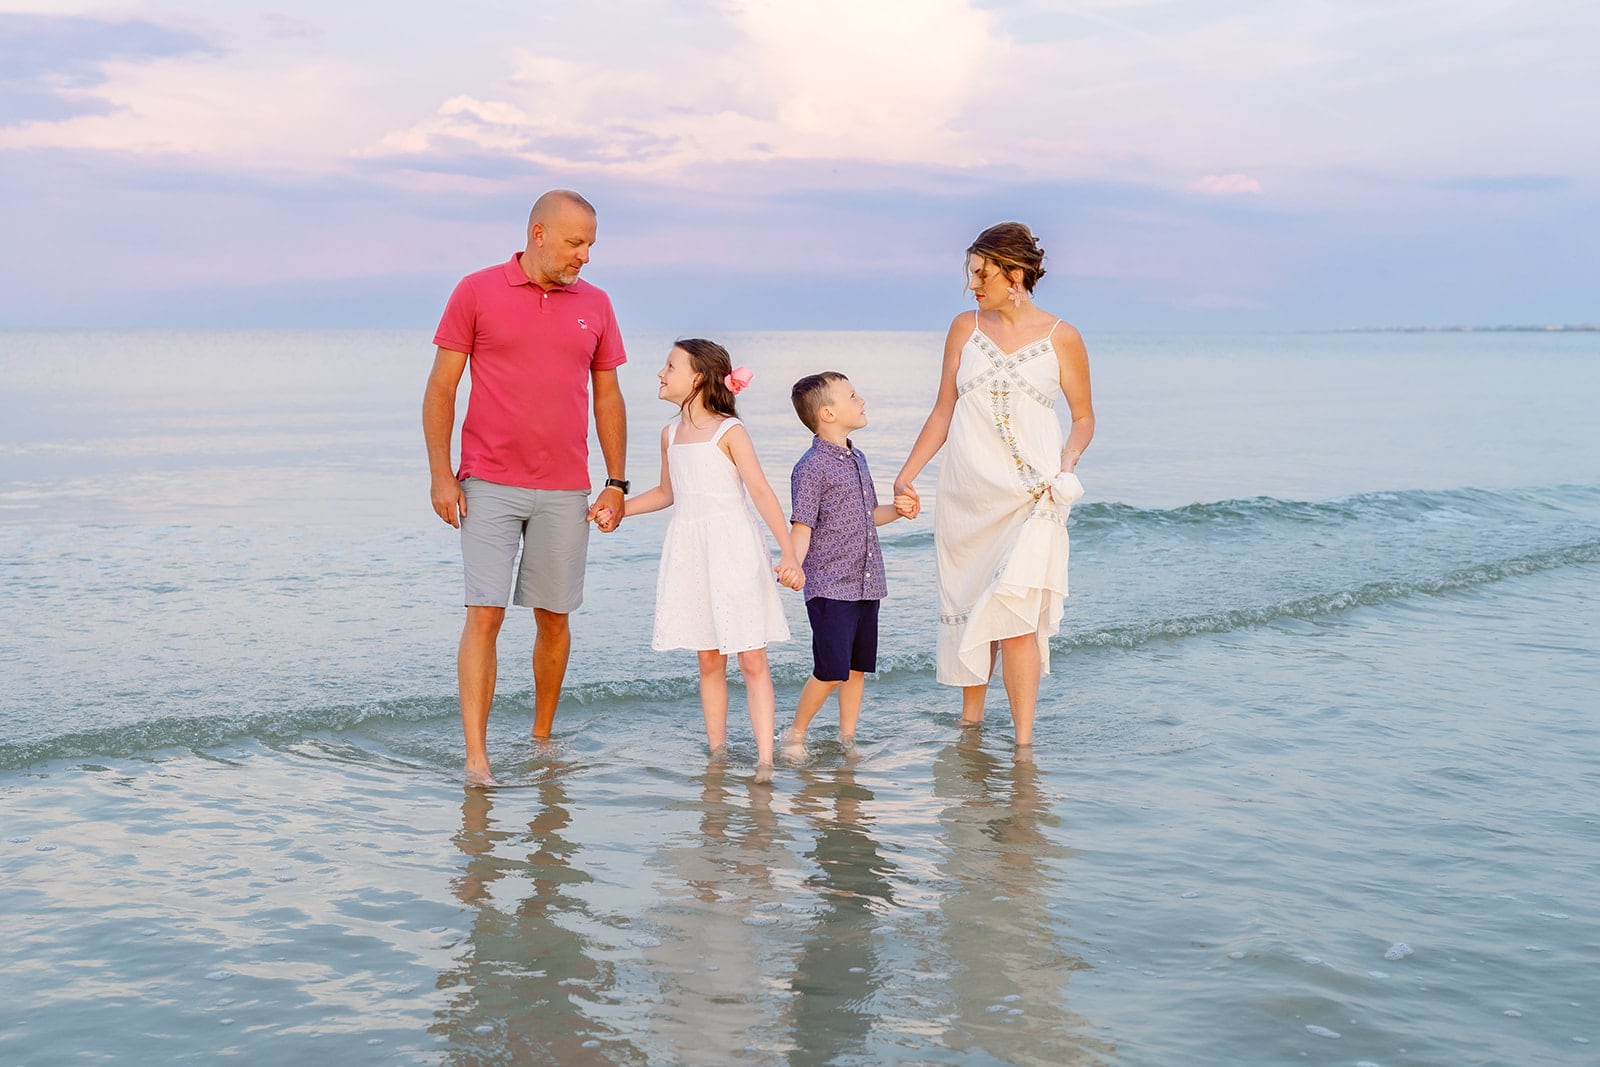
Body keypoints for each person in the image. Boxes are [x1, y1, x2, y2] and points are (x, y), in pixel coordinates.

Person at [423, 189, 629, 786]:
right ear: (538, 234)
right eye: (575, 242)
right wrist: (441, 473)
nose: (584, 255)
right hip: (487, 481)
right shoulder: (475, 291)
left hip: (567, 487)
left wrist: (616, 481)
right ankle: (477, 757)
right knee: (483, 614)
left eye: (590, 243)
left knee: (555, 617)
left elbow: (607, 395)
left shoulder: (597, 303)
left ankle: (542, 738)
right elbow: (442, 389)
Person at [893, 222, 1094, 752]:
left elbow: (1083, 418)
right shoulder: (965, 327)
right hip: (967, 495)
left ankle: (1024, 746)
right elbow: (943, 409)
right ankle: (972, 728)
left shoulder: (1062, 338)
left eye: (982, 273)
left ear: (1016, 274)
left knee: (1016, 614)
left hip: (1034, 496)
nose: (973, 284)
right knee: (970, 605)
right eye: (971, 273)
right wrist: (907, 472)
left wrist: (1068, 461)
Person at [605, 339, 803, 782]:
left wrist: (788, 551)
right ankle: (717, 755)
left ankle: (765, 762)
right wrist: (618, 510)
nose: (661, 373)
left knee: (751, 657)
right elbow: (666, 494)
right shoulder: (669, 433)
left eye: (669, 366)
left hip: (733, 547)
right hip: (690, 550)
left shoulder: (729, 431)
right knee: (709, 659)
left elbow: (761, 492)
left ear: (696, 378)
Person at [776, 372, 913, 762]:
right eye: (853, 396)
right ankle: (795, 735)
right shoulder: (810, 468)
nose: (862, 400)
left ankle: (846, 739)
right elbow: (801, 527)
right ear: (828, 413)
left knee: (855, 669)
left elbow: (868, 516)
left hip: (866, 584)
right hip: (830, 585)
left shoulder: (858, 458)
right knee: (831, 670)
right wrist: (792, 564)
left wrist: (898, 512)